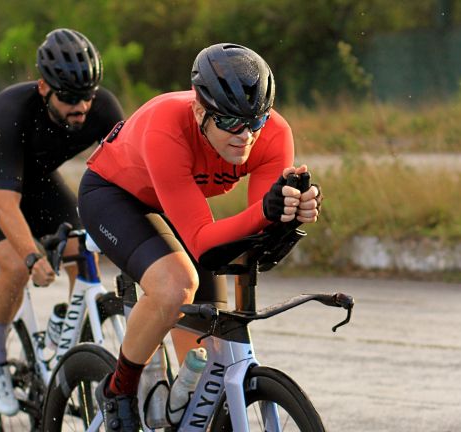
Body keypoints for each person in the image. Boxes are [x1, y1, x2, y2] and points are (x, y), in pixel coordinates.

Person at [78, 42, 322, 430]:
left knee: (211, 343)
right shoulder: (167, 127)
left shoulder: (273, 135)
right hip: (116, 194)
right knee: (176, 285)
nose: (245, 135)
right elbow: (203, 243)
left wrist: (290, 215)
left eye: (255, 121)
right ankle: (118, 389)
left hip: (179, 197)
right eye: (229, 122)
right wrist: (265, 212)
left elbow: (257, 235)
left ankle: (181, 409)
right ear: (198, 110)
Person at [0, 28, 124, 416]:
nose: (82, 107)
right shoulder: (11, 110)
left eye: (89, 95)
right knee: (14, 265)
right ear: (45, 88)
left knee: (82, 249)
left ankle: (76, 341)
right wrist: (31, 256)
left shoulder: (103, 110)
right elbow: (6, 205)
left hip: (38, 181)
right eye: (71, 98)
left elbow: (128, 175)